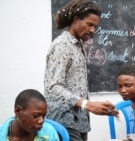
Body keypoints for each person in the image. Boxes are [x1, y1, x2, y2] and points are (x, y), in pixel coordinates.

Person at [44, 0, 119, 140]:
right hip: (64, 121)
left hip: (79, 121)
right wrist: (87, 104)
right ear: (76, 19)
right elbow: (54, 87)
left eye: (95, 26)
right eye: (89, 24)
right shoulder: (62, 45)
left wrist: (93, 106)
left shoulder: (78, 45)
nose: (92, 30)